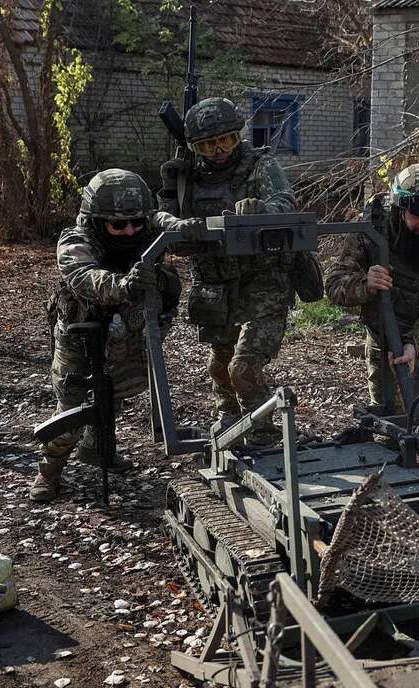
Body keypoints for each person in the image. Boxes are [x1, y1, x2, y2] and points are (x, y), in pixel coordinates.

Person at [30, 168, 194, 502]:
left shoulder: (144, 224)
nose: (129, 230)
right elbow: (85, 277)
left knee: (113, 396)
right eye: (118, 225)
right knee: (71, 413)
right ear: (96, 221)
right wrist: (124, 285)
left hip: (124, 336)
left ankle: (97, 451)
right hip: (81, 336)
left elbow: (160, 219)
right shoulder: (75, 240)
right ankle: (48, 471)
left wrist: (183, 227)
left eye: (135, 223)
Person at [158, 96, 300, 440]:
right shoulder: (187, 175)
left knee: (243, 368)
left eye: (226, 140)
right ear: (195, 147)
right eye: (208, 145)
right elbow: (167, 233)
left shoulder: (260, 165)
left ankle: (264, 434)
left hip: (263, 284)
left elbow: (286, 203)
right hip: (216, 285)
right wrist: (170, 194)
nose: (219, 150)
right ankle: (230, 424)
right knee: (220, 367)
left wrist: (261, 212)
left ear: (238, 136)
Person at [325, 162, 419, 448]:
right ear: (400, 208)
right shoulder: (372, 226)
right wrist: (365, 284)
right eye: (418, 217)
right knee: (390, 421)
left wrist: (414, 344)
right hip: (382, 336)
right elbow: (334, 284)